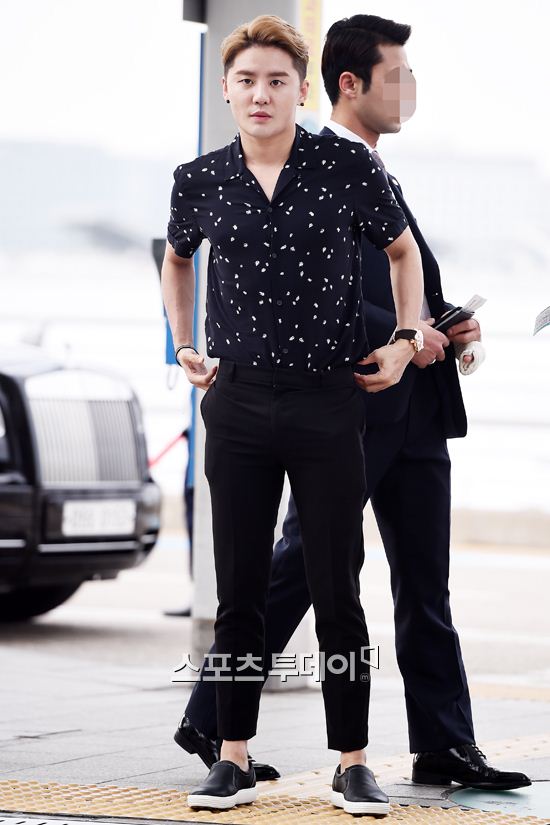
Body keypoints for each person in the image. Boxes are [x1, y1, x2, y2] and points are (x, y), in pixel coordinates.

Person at [174, 13, 532, 798]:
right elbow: (301, 301)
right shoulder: (312, 168)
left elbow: (394, 278)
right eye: (398, 77)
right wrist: (405, 335)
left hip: (417, 415)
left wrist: (440, 325)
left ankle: (445, 741)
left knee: (424, 587)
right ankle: (212, 718)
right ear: (348, 84)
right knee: (297, 572)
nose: (410, 91)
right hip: (346, 407)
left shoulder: (371, 171)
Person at [161, 14, 425, 815]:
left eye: (277, 80)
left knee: (336, 586)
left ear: (300, 90)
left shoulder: (344, 167)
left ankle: (352, 762)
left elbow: (403, 251)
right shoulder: (199, 179)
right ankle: (232, 757)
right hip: (236, 401)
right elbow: (177, 259)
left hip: (326, 400)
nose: (261, 94)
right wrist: (185, 343)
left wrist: (405, 339)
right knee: (239, 591)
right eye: (247, 80)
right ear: (226, 89)